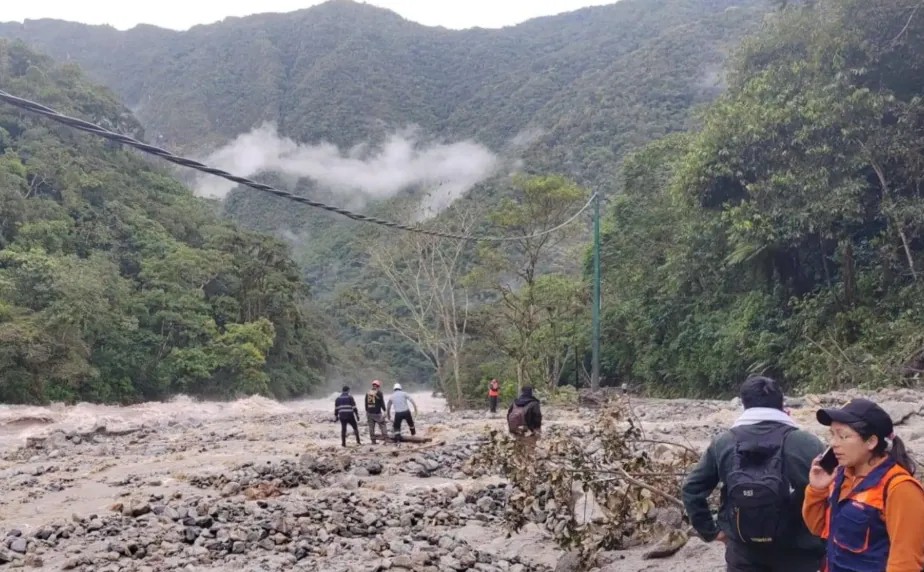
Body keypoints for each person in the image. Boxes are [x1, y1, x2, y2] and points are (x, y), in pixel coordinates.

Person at [681, 376, 825, 572]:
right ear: (782, 403)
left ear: (743, 403)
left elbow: (691, 489)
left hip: (743, 552)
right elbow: (832, 493)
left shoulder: (724, 442)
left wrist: (712, 531)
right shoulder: (807, 442)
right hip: (799, 552)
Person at [803, 398, 924, 572]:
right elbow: (818, 528)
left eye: (843, 436)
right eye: (832, 434)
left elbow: (906, 562)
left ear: (871, 442)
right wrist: (817, 489)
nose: (834, 443)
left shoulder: (900, 488)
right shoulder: (841, 476)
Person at [365, 379, 388, 444]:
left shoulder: (368, 392)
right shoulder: (379, 393)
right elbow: (382, 402)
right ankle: (386, 439)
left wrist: (367, 411)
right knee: (382, 425)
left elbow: (366, 403)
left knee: (371, 428)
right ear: (378, 386)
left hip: (369, 413)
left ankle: (373, 441)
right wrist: (385, 410)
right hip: (377, 413)